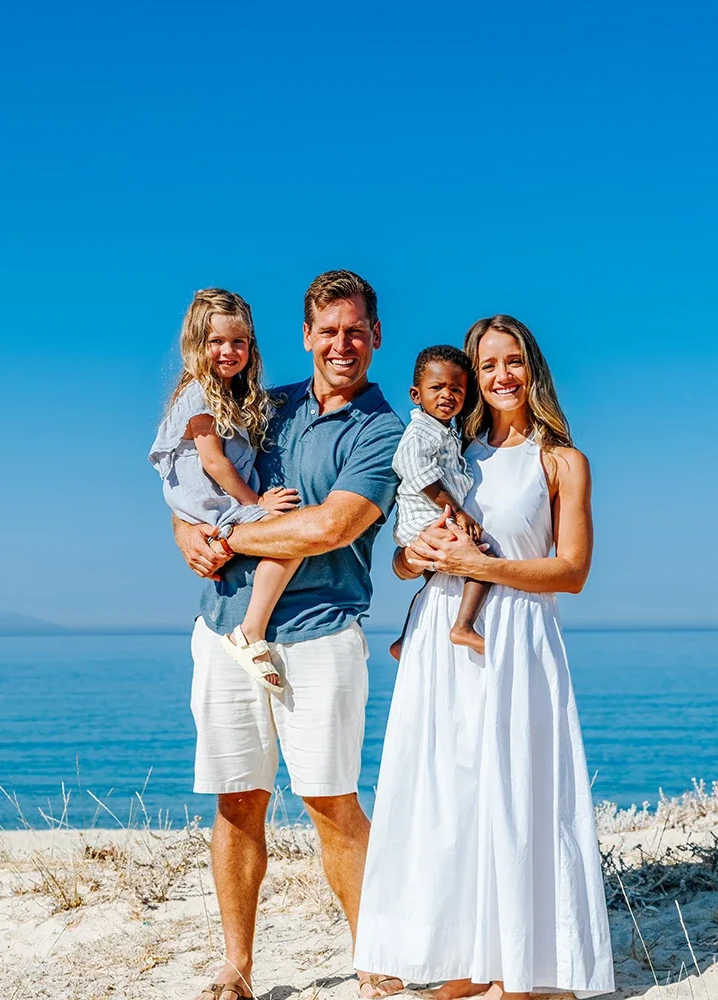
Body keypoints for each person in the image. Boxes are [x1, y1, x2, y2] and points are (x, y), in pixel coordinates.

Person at [354, 314, 614, 1000]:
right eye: (487, 365)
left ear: (534, 370)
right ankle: (467, 957)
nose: (501, 377)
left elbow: (572, 571)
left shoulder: (562, 460)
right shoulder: (450, 449)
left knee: (519, 792)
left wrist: (483, 567)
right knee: (452, 795)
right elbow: (408, 559)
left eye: (513, 362)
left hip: (519, 639)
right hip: (445, 631)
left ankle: (522, 965)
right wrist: (421, 556)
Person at [171, 270, 408, 1000]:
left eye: (355, 331)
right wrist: (185, 530)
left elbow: (332, 526)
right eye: (327, 331)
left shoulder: (383, 430)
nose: (342, 344)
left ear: (375, 337)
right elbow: (192, 474)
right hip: (224, 632)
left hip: (320, 634)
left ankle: (375, 960)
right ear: (306, 336)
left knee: (330, 800)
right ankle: (238, 967)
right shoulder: (262, 407)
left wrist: (234, 539)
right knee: (237, 801)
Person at [149, 288, 302, 692]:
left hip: (215, 504)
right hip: (213, 501)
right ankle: (249, 631)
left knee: (273, 541)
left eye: (239, 341)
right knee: (291, 536)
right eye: (216, 342)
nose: (228, 351)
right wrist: (257, 504)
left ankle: (241, 604)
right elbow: (215, 462)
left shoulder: (236, 395)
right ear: (198, 345)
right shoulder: (199, 393)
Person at [388, 344, 492, 659]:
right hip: (426, 520)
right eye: (437, 387)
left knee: (434, 587)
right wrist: (459, 513)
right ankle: (463, 626)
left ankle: (404, 641)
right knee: (482, 563)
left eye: (457, 389)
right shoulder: (420, 433)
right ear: (415, 395)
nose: (447, 395)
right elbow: (421, 476)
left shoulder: (447, 434)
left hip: (431, 519)